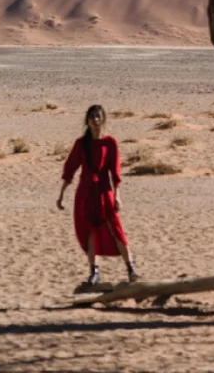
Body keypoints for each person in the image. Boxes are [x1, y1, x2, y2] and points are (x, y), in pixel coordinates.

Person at [57, 104, 137, 291]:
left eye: (98, 116)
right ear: (87, 120)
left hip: (103, 190)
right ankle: (94, 271)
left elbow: (115, 172)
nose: (95, 120)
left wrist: (118, 196)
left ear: (103, 119)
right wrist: (61, 194)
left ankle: (131, 267)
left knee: (115, 227)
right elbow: (70, 168)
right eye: (92, 117)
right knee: (90, 230)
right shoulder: (81, 144)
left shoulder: (110, 143)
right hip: (86, 191)